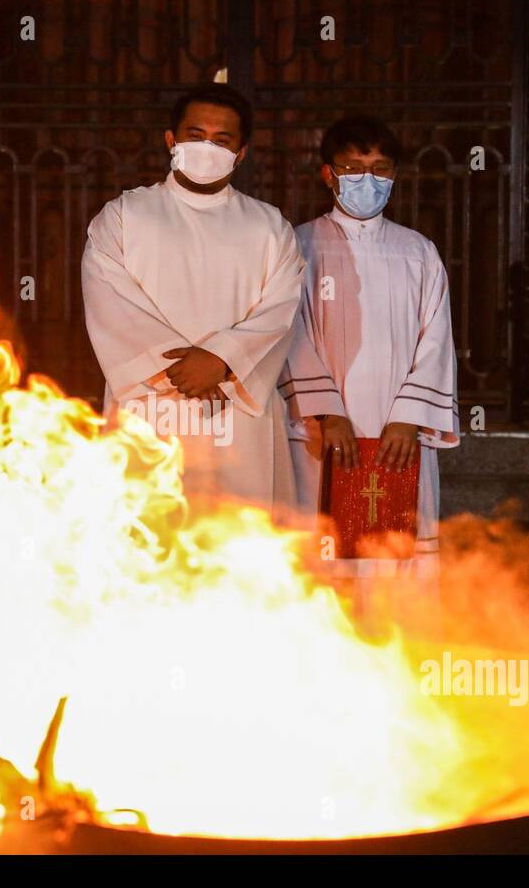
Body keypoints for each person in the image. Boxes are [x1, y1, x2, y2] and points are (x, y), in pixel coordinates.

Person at [82, 83, 304, 515]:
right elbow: (109, 300)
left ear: (241, 153)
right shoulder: (124, 216)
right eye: (195, 135)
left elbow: (282, 311)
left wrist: (220, 360)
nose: (207, 147)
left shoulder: (270, 227)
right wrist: (183, 369)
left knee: (242, 541)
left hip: (236, 411)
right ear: (171, 141)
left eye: (222, 141)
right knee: (150, 535)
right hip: (151, 405)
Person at [281, 115, 460, 576]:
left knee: (397, 562)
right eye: (353, 167)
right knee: (323, 558)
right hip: (322, 434)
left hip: (397, 436)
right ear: (328, 174)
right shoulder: (298, 246)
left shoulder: (418, 251)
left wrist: (408, 418)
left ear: (394, 175)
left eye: (380, 169)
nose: (368, 179)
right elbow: (287, 332)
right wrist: (327, 409)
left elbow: (437, 340)